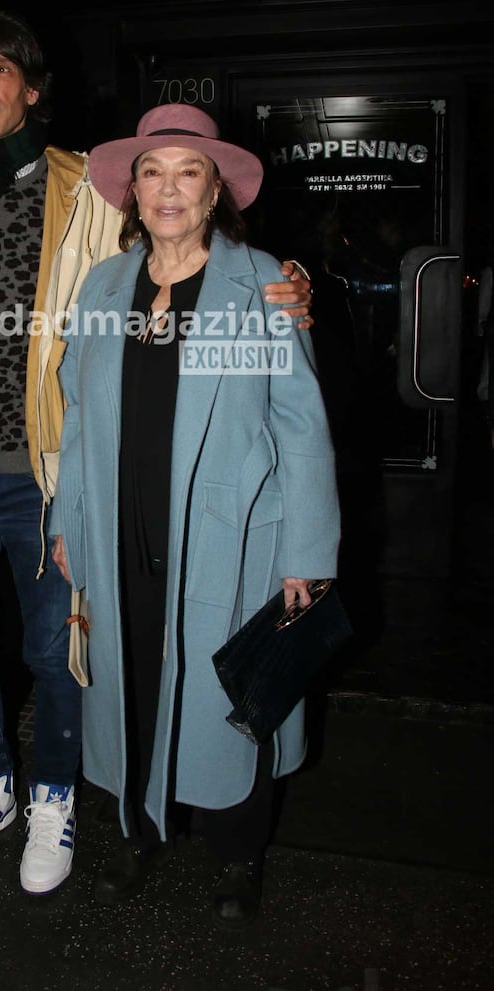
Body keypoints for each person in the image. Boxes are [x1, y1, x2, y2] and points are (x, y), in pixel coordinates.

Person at [0, 11, 313, 896]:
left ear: (33, 88)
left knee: (59, 652)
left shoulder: (83, 192)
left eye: (4, 69)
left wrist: (289, 280)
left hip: (44, 473)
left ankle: (57, 799)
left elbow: (189, 248)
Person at [49, 103, 340, 929]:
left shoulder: (261, 284)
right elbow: (77, 414)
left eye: (188, 173)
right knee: (130, 682)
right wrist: (68, 520)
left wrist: (307, 553)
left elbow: (300, 425)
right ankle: (136, 830)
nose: (168, 189)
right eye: (152, 172)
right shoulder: (104, 287)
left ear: (215, 192)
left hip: (229, 533)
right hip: (121, 527)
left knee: (229, 699)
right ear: (132, 192)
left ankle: (238, 852)